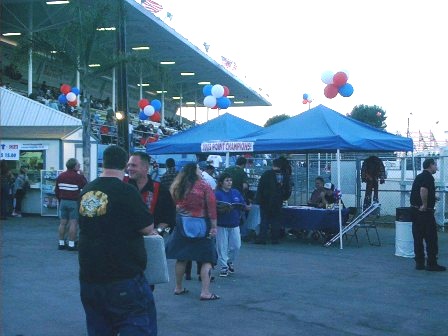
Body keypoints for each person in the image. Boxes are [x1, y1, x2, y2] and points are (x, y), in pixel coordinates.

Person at [78, 145, 158, 335]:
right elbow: (147, 228)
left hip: (90, 276)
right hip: (122, 276)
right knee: (138, 323)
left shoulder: (87, 189)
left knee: (99, 328)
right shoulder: (126, 191)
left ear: (103, 162)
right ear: (124, 164)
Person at [165, 162, 220, 301]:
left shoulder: (178, 185)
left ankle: (178, 287)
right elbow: (212, 208)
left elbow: (173, 204)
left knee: (181, 257)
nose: (201, 171)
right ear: (194, 171)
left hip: (182, 223)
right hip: (201, 224)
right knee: (207, 258)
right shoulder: (204, 186)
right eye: (198, 169)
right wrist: (214, 226)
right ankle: (205, 292)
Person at [125, 152, 176, 236]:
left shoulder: (161, 190)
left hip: (150, 241)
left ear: (146, 168)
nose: (129, 168)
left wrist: (157, 231)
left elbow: (168, 219)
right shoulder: (123, 187)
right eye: (128, 165)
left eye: (133, 165)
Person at [410, 158, 446, 272]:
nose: (437, 168)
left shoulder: (420, 176)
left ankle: (419, 263)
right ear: (430, 165)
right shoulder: (428, 177)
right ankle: (432, 263)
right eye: (435, 165)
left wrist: (433, 197)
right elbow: (423, 190)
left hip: (415, 211)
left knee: (418, 236)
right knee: (431, 238)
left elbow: (420, 190)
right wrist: (425, 205)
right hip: (424, 212)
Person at [215, 173, 250, 277]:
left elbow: (243, 204)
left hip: (234, 223)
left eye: (230, 180)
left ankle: (229, 261)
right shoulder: (217, 194)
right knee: (222, 246)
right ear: (221, 183)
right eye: (227, 180)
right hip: (221, 223)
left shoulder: (235, 192)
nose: (229, 182)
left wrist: (245, 207)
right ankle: (224, 266)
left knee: (236, 246)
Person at [255, 158, 290, 245]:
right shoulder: (284, 175)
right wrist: (284, 197)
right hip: (278, 201)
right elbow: (288, 189)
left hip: (265, 201)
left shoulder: (266, 174)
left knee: (264, 220)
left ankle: (262, 238)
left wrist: (258, 199)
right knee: (276, 220)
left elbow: (260, 187)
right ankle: (275, 238)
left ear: (273, 165)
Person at [55, 158, 87, 251]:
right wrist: (83, 175)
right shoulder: (78, 177)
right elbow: (86, 186)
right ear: (74, 166)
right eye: (78, 165)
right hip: (74, 202)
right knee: (73, 223)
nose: (79, 166)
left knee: (62, 223)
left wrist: (60, 200)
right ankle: (71, 244)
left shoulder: (60, 176)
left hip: (63, 201)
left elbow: (56, 190)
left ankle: (61, 243)